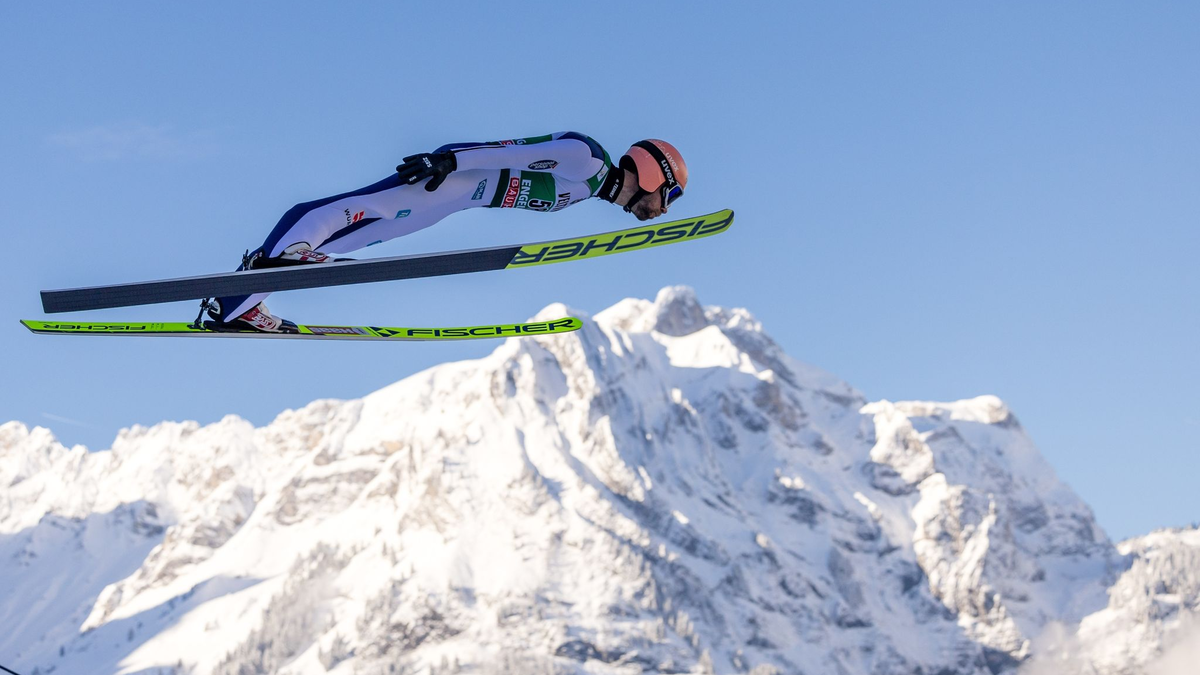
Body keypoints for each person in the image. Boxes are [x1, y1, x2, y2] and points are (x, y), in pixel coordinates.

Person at [203, 132, 689, 333]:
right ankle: (282, 256)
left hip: (454, 201)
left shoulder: (588, 189)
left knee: (355, 239)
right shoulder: (587, 158)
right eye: (668, 195)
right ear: (652, 172)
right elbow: (511, 151)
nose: (661, 210)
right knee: (360, 208)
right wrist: (448, 162)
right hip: (451, 178)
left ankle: (239, 305)